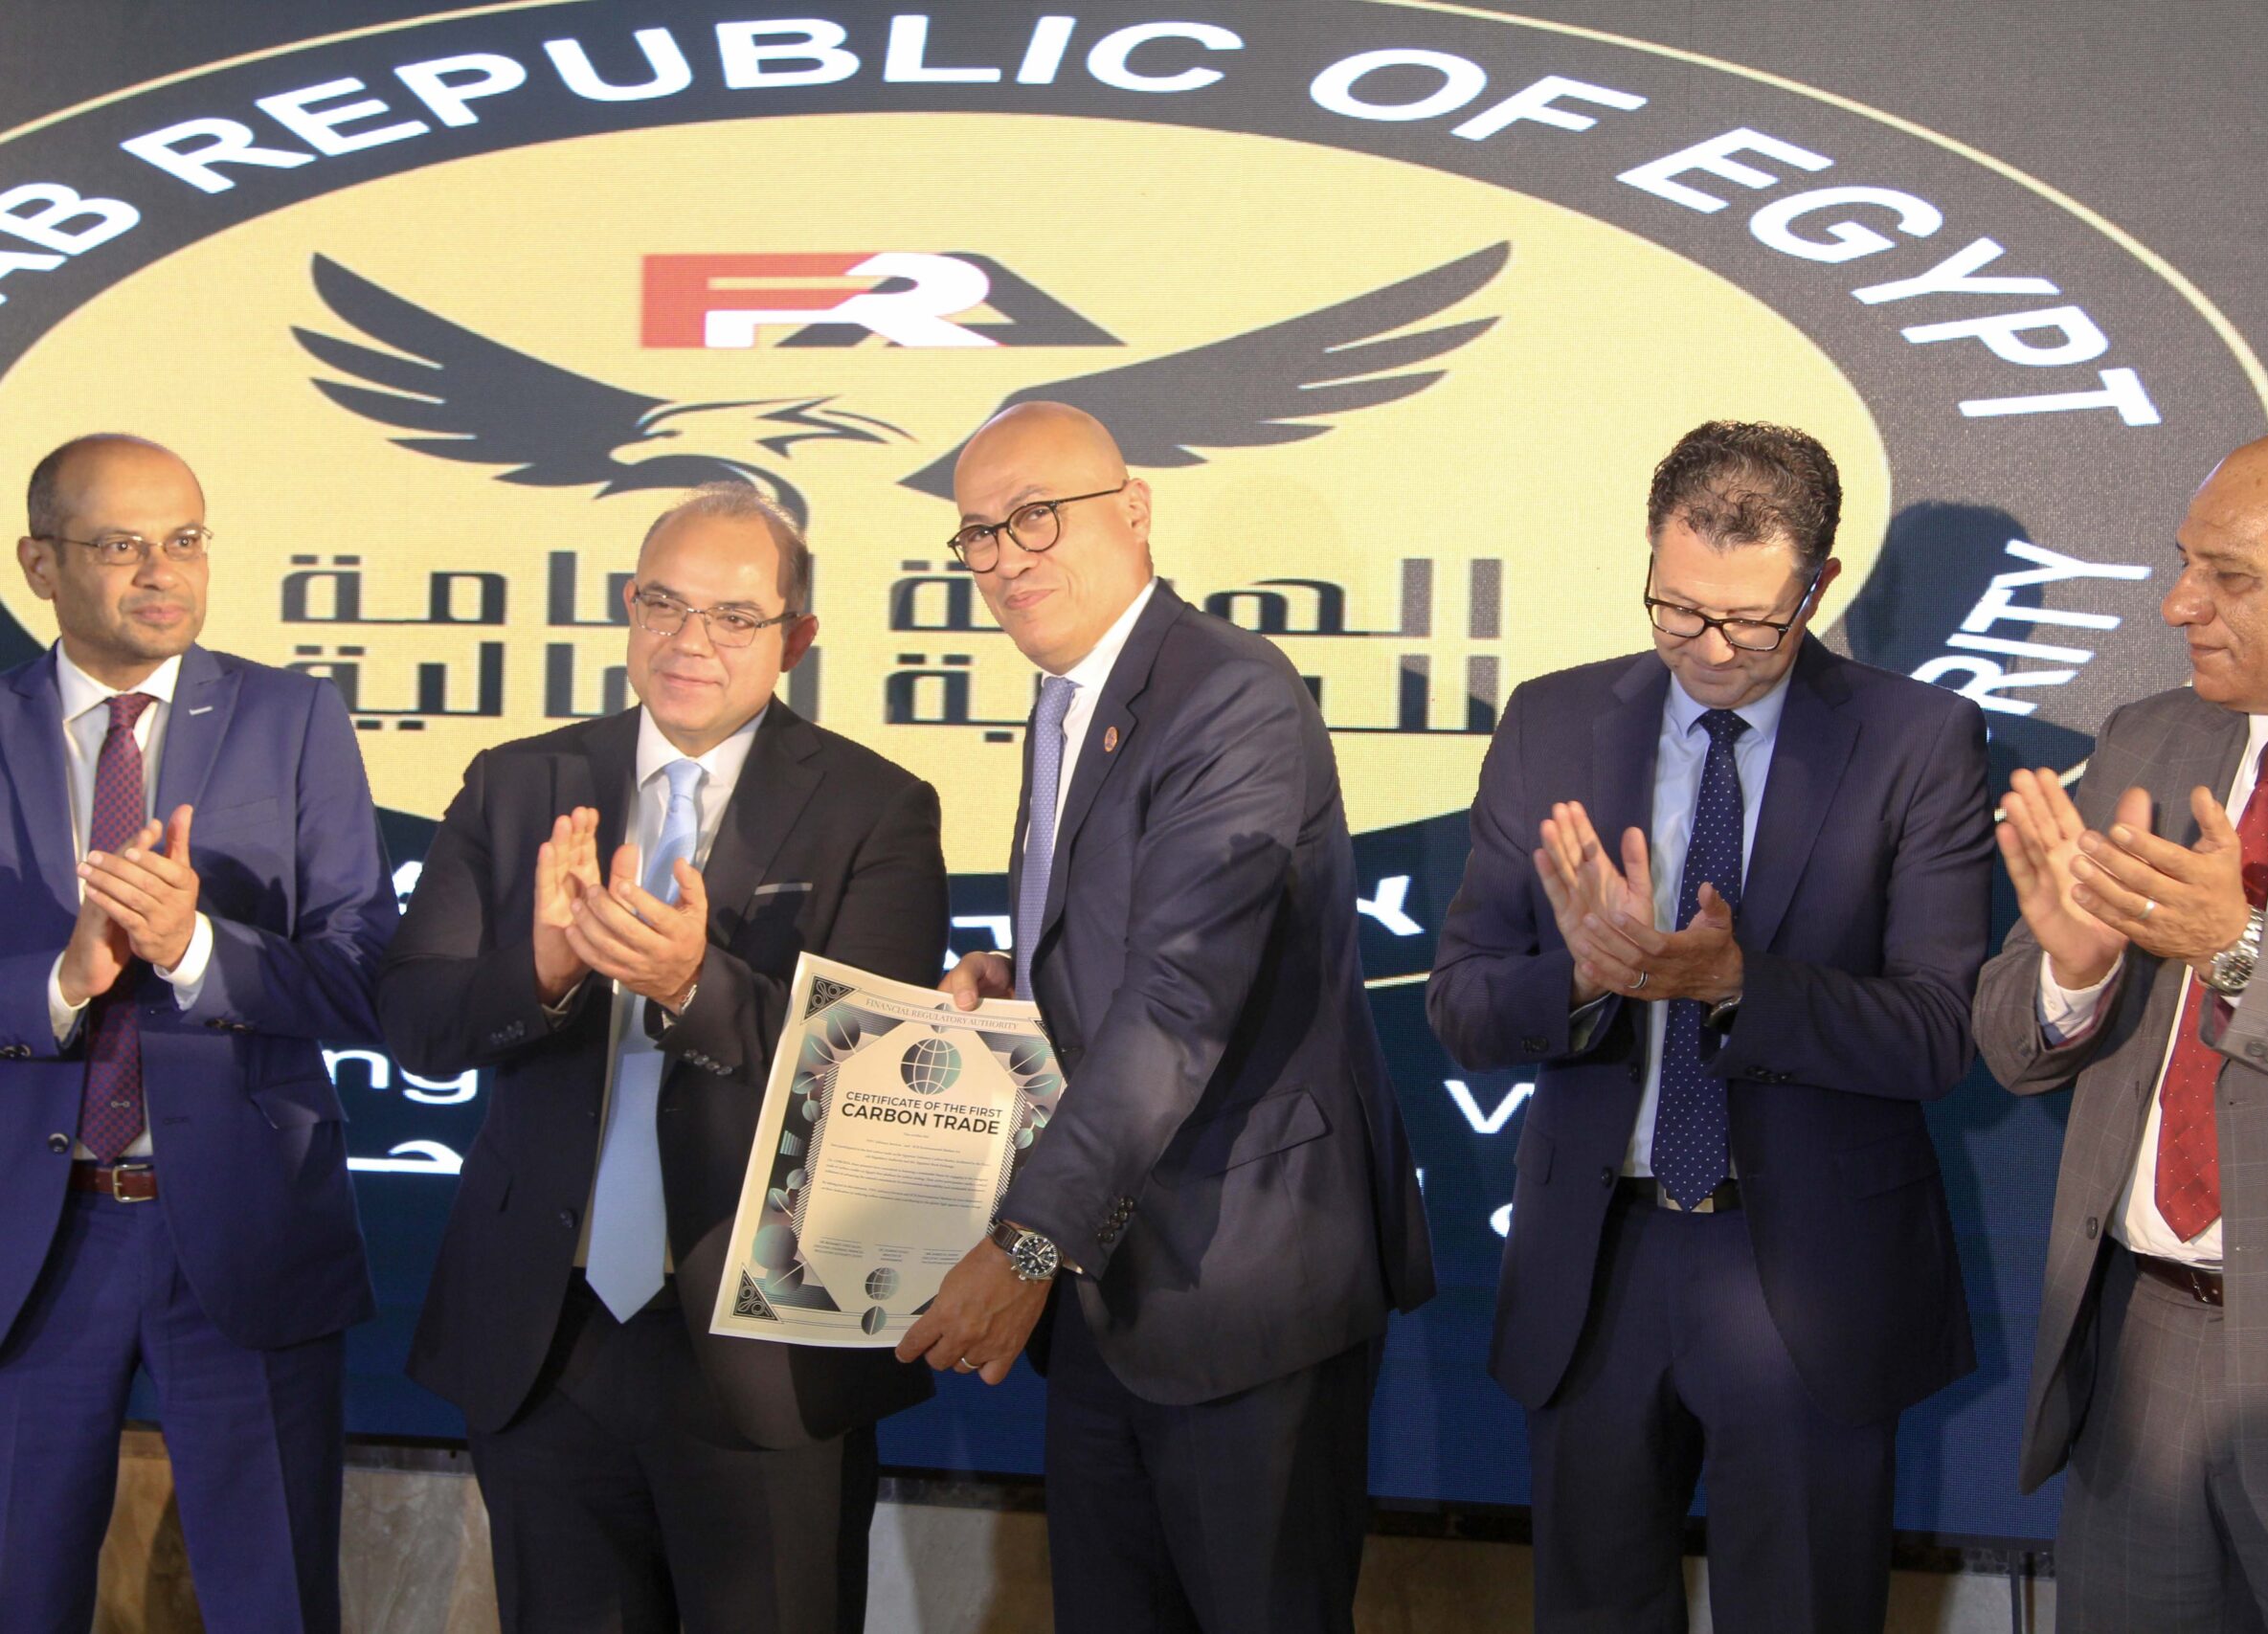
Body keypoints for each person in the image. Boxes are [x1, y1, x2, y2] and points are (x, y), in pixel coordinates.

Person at [1427, 421, 1992, 1632]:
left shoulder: (1917, 742)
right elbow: (1463, 1002)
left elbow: (1942, 1031)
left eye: (1749, 620)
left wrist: (1736, 984)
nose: (1710, 649)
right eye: (1676, 610)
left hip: (1805, 1280)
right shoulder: (1550, 723)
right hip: (1596, 1265)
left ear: (1819, 586)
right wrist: (1580, 979)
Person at [902, 401, 1434, 1633]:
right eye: (977, 533)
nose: (1007, 555)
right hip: (1108, 1291)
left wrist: (1026, 1246)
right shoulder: (1063, 700)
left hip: (1240, 1288)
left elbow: (1182, 998)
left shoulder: (1228, 694)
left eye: (1036, 514)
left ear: (1132, 509)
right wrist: (1019, 983)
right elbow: (1131, 945)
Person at [379, 484, 947, 1633]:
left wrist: (691, 984)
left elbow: (871, 1082)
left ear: (798, 639)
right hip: (546, 1336)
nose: (691, 641)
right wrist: (538, 972)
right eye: (662, 604)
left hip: (759, 1345)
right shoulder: (517, 783)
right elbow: (415, 1021)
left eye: (735, 617)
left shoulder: (875, 809)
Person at [1977, 424, 2268, 1632]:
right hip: (2138, 1366)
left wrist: (2233, 950)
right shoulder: (2148, 738)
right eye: (2184, 563)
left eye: (2227, 574)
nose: (2181, 602)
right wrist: (2071, 979)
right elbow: (2009, 1039)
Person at [0, 434, 393, 1631]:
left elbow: (363, 970)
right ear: (38, 564)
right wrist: (59, 983)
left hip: (241, 1230)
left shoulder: (292, 717)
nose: (162, 571)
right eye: (121, 545)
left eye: (184, 540)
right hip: (27, 1244)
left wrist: (196, 951)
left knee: (271, 1596)